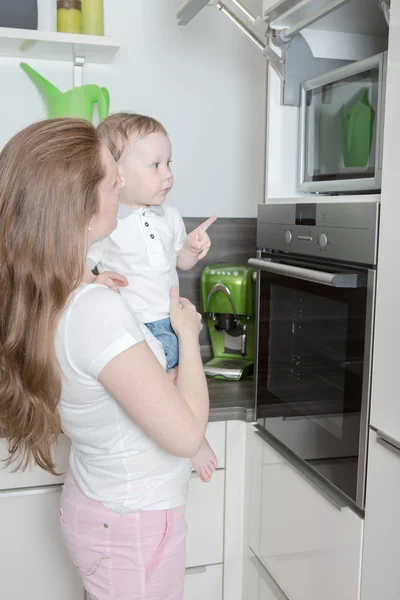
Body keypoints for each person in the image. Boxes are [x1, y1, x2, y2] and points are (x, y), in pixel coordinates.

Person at [0, 118, 209, 600]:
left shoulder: (60, 294)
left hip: (105, 509)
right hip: (131, 524)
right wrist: (188, 337)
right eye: (110, 177)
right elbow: (186, 434)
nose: (120, 181)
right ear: (79, 204)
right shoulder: (95, 309)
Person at [86, 112, 217, 483]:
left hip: (171, 320)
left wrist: (193, 247)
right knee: (155, 394)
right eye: (156, 165)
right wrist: (96, 280)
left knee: (183, 383)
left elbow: (181, 263)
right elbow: (83, 264)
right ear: (119, 175)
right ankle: (190, 443)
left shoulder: (169, 217)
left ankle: (192, 439)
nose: (168, 174)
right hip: (136, 325)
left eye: (169, 162)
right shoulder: (107, 223)